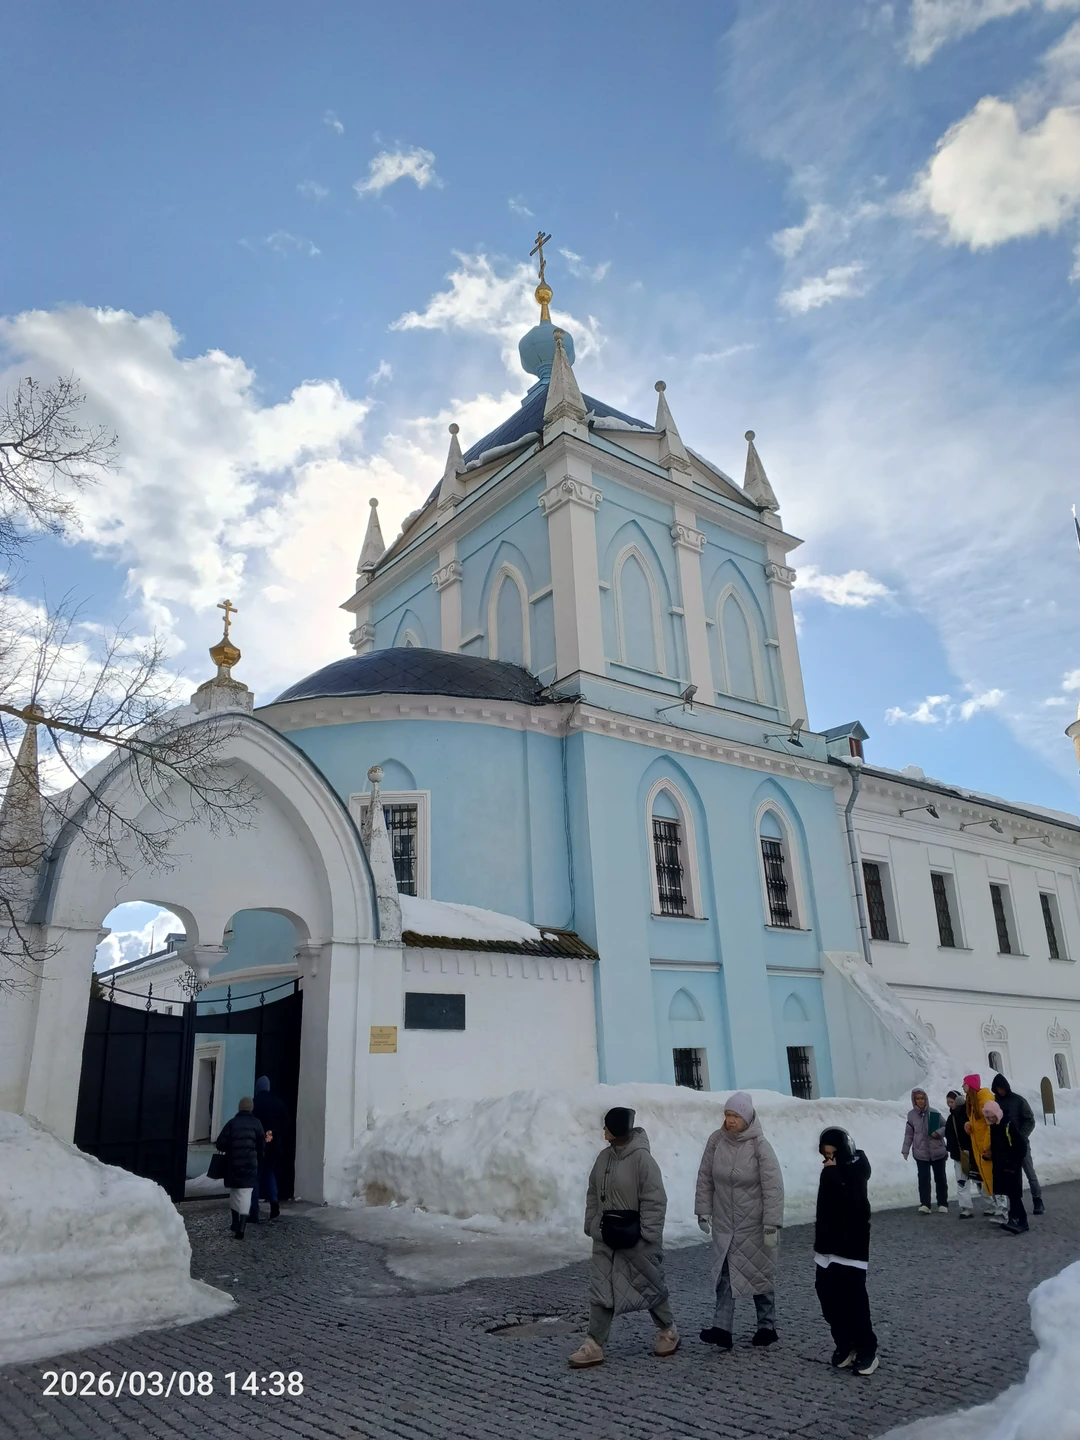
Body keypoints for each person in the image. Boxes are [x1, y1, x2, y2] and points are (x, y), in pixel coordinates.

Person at [568, 1106, 680, 1368]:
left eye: (607, 1126)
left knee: (650, 1284)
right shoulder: (603, 1158)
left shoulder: (643, 1160)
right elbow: (593, 1193)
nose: (603, 1130)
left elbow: (655, 1199)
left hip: (636, 1238)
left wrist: (647, 1235)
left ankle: (668, 1331)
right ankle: (593, 1344)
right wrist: (592, 1225)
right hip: (606, 1236)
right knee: (602, 1289)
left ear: (617, 1129)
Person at [695, 1091, 785, 1351]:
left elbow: (773, 1187)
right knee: (725, 1275)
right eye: (727, 1115)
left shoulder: (760, 1146)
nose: (730, 1120)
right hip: (725, 1222)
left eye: (735, 1115)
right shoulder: (716, 1141)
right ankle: (722, 1329)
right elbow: (705, 1178)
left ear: (746, 1117)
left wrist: (771, 1224)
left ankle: (767, 1326)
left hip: (754, 1224)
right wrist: (703, 1210)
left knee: (759, 1275)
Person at [813, 1127, 878, 1377]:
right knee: (828, 1299)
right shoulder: (830, 1171)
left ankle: (866, 1349)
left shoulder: (855, 1171)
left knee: (854, 1302)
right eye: (824, 1155)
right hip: (827, 1249)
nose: (828, 1159)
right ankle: (844, 1342)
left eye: (832, 1154)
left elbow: (855, 1208)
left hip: (851, 1248)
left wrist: (832, 1175)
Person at [991, 1073, 1044, 1216]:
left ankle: (1037, 1199)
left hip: (1021, 1144)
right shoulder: (995, 1102)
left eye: (1002, 1088)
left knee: (1029, 1172)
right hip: (1005, 1146)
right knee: (1011, 1176)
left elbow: (1030, 1120)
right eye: (997, 1089)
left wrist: (1020, 1136)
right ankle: (1015, 1205)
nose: (1000, 1091)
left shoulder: (1018, 1101)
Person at [214, 1096, 265, 1241]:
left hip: (232, 1164)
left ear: (239, 1108)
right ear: (251, 1108)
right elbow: (261, 1145)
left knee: (235, 1192)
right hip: (249, 1164)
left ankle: (235, 1222)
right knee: (246, 1194)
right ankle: (241, 1227)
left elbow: (220, 1144)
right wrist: (258, 1158)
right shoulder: (257, 1123)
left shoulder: (232, 1123)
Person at [983, 1099, 1029, 1235]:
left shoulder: (1007, 1125)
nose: (990, 1119)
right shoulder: (994, 1126)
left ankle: (1018, 1220)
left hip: (1011, 1165)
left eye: (992, 1116)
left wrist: (1014, 1161)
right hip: (1002, 1165)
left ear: (997, 1114)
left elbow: (1021, 1145)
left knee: (1014, 1194)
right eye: (988, 1117)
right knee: (1011, 1194)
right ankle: (1018, 1220)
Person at [901, 1087, 948, 1214]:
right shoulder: (911, 1116)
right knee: (923, 1179)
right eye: (917, 1099)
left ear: (926, 1099)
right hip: (920, 1152)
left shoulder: (934, 1113)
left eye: (922, 1098)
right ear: (914, 1100)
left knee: (940, 1178)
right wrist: (905, 1150)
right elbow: (909, 1134)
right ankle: (925, 1204)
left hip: (937, 1151)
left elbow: (946, 1127)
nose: (920, 1101)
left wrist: (938, 1133)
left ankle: (942, 1203)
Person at [249, 1076, 289, 1224]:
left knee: (255, 1177)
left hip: (256, 1146)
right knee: (270, 1173)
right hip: (273, 1146)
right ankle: (274, 1202)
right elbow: (286, 1122)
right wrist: (273, 1132)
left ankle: (254, 1212)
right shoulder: (278, 1103)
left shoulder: (254, 1104)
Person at [962, 1074, 999, 1221]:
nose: (962, 1087)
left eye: (964, 1084)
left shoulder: (985, 1100)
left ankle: (1002, 1208)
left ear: (970, 1086)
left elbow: (990, 1125)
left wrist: (988, 1146)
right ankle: (996, 1207)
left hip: (985, 1146)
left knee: (993, 1177)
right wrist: (968, 1124)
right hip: (977, 1146)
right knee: (986, 1178)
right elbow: (977, 1122)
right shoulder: (972, 1101)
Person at [943, 1090, 975, 1219]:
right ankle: (965, 1207)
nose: (950, 1105)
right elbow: (949, 1136)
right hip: (959, 1155)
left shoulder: (968, 1114)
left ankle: (991, 1205)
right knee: (961, 1181)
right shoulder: (951, 1118)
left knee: (980, 1181)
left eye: (951, 1102)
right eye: (948, 1103)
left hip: (972, 1153)